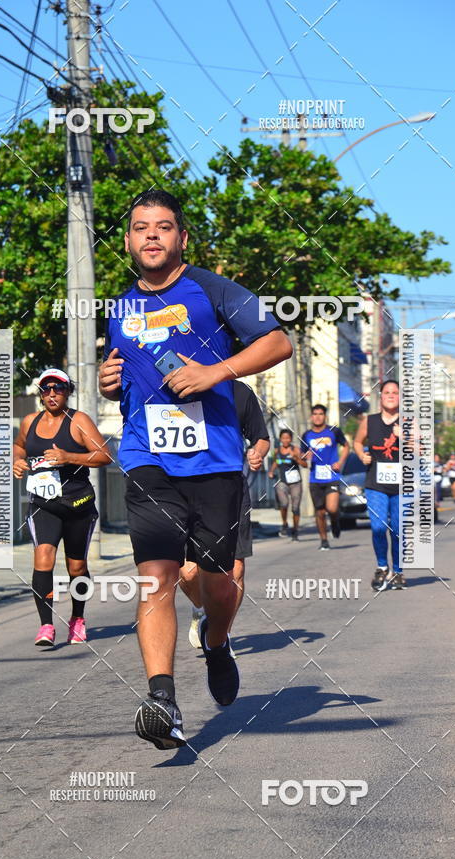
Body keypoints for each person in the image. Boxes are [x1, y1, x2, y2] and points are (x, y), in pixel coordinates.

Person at [98, 189, 291, 750]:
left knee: (219, 581)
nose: (151, 235)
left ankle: (216, 639)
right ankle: (162, 698)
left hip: (214, 460)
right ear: (129, 240)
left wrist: (216, 373)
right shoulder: (118, 308)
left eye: (163, 227)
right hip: (147, 456)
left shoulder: (211, 290)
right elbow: (129, 382)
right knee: (156, 575)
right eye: (140, 227)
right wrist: (111, 384)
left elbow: (279, 339)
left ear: (181, 237)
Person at [13, 368, 112, 647]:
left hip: (77, 503)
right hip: (43, 503)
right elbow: (19, 446)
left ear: (68, 391)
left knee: (77, 567)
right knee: (43, 558)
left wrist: (68, 456)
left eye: (58, 389)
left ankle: (77, 618)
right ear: (41, 394)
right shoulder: (30, 421)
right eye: (46, 389)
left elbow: (105, 456)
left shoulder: (78, 420)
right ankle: (46, 625)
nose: (52, 394)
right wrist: (17, 461)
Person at [180, 380, 270, 650]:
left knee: (236, 569)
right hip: (183, 488)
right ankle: (200, 609)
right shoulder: (177, 386)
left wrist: (258, 452)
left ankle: (221, 636)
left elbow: (261, 437)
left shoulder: (239, 391)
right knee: (188, 573)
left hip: (230, 489)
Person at [354, 380, 406, 591]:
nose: (391, 395)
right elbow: (357, 442)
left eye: (395, 392)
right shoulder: (369, 421)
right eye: (387, 392)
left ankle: (399, 572)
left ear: (401, 397)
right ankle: (382, 567)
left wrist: (407, 437)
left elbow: (422, 451)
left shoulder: (409, 421)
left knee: (397, 529)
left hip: (403, 484)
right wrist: (361, 455)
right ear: (381, 397)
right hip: (376, 482)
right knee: (377, 527)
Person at [300, 404, 349, 550]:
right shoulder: (306, 435)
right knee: (320, 512)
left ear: (325, 416)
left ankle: (335, 521)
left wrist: (340, 462)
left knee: (332, 508)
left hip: (332, 476)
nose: (317, 416)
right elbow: (302, 460)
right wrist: (305, 457)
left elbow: (346, 446)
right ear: (311, 417)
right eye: (315, 414)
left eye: (320, 414)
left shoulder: (334, 431)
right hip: (315, 478)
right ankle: (324, 540)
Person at [268, 429, 306, 540]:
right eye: (283, 438)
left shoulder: (296, 450)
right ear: (280, 439)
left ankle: (295, 531)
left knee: (295, 508)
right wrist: (271, 471)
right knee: (283, 504)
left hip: (295, 482)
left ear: (291, 439)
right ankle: (284, 523)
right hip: (283, 481)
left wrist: (296, 458)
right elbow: (276, 462)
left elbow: (304, 465)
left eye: (288, 438)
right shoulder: (277, 451)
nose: (285, 440)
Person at [434, 453, 444, 523]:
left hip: (438, 481)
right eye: (436, 457)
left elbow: (444, 470)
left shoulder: (441, 464)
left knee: (437, 495)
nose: (437, 459)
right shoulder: (430, 463)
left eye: (438, 458)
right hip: (430, 482)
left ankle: (435, 517)